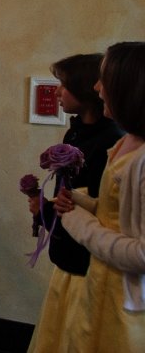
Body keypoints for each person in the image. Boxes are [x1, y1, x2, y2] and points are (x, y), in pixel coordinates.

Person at [26, 54, 124, 353]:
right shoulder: (77, 131)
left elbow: (100, 210)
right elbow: (70, 199)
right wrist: (44, 211)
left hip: (87, 265)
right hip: (67, 257)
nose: (55, 92)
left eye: (63, 85)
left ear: (85, 90)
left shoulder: (110, 143)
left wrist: (54, 210)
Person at [53, 41, 145, 351]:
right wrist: (79, 201)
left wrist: (78, 222)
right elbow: (117, 212)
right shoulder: (126, 144)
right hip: (101, 280)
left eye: (103, 79)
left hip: (124, 297)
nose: (96, 87)